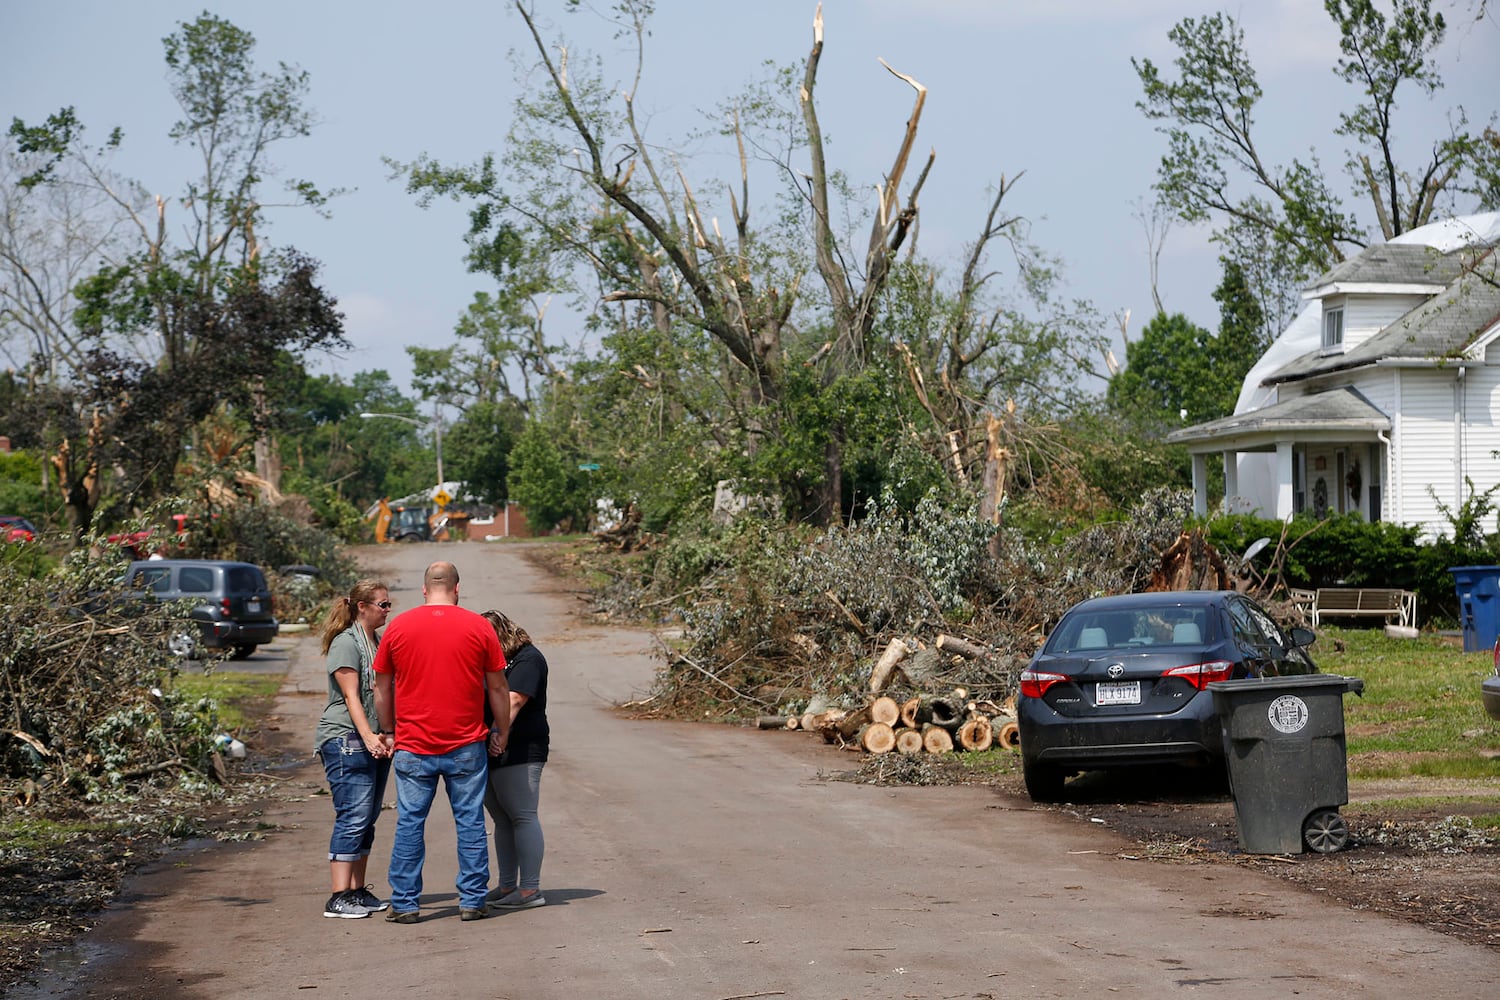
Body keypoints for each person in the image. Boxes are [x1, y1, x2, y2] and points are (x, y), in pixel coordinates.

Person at [373, 561, 510, 923]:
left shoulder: (399, 626)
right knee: (469, 822)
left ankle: (405, 904)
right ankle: (472, 900)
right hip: (466, 744)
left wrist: (388, 730)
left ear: (423, 590)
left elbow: (381, 687)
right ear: (456, 588)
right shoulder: (479, 627)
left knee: (409, 823)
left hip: (413, 744)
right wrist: (502, 730)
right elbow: (497, 687)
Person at [313, 579, 394, 919]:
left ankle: (357, 892)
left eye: (389, 604)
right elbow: (351, 697)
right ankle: (338, 896)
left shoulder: (375, 641)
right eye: (382, 605)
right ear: (362, 606)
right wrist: (369, 736)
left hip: (372, 738)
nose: (388, 610)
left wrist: (387, 732)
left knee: (368, 819)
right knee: (353, 816)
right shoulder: (347, 644)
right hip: (346, 738)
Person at [480, 610, 550, 910]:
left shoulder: (528, 659)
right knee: (502, 819)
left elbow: (514, 699)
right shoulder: (492, 662)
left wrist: (499, 733)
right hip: (492, 746)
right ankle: (508, 884)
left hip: (521, 748)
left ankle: (529, 889)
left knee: (522, 815)